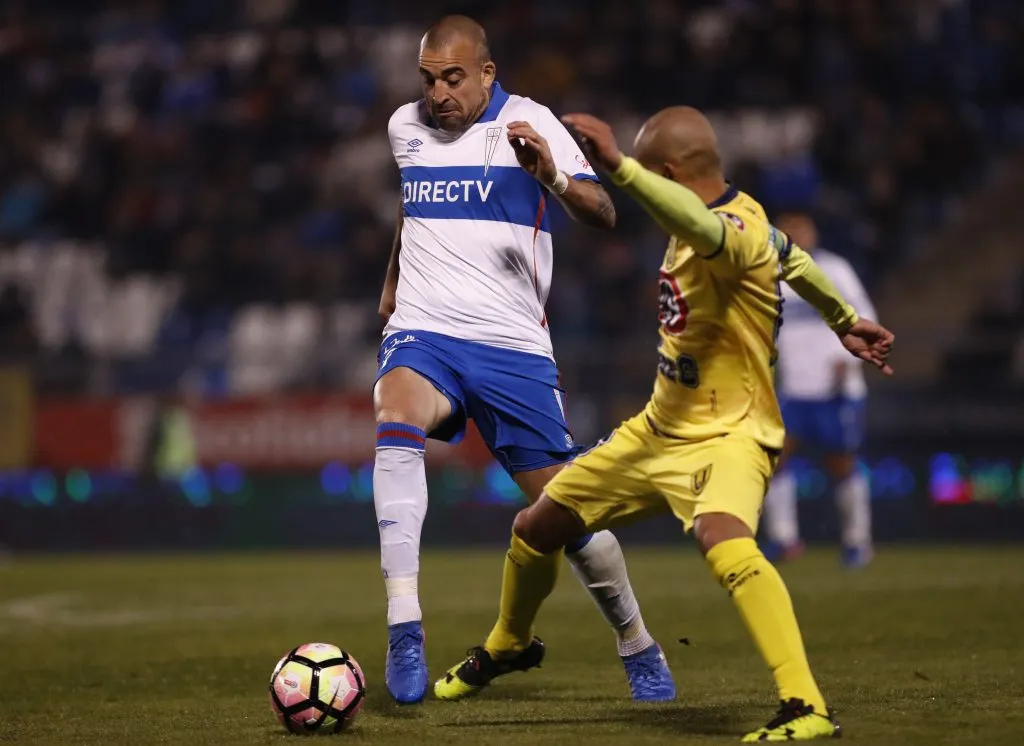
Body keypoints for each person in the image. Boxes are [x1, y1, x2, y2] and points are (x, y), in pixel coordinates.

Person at [434, 107, 894, 742]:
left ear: (670, 174)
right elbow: (795, 261)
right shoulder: (756, 220)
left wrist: (619, 168)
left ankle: (805, 704)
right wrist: (844, 319)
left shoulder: (729, 231)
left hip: (729, 432)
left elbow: (708, 228)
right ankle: (510, 644)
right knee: (537, 526)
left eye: (653, 176)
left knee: (724, 541)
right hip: (658, 430)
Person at [374, 16, 674, 705]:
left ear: (486, 72)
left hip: (511, 346)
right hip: (426, 332)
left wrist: (554, 179)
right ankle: (404, 623)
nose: (438, 93)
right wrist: (392, 282)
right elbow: (410, 202)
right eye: (428, 79)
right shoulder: (404, 128)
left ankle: (636, 640)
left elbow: (604, 212)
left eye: (453, 78)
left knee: (565, 513)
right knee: (394, 416)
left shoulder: (530, 122)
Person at [763, 211, 878, 568]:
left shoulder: (835, 270)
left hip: (836, 388)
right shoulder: (772, 276)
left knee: (841, 463)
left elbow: (864, 316)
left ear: (814, 231)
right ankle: (784, 539)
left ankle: (857, 541)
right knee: (775, 460)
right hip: (795, 389)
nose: (796, 233)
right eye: (788, 227)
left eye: (801, 226)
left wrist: (847, 359)